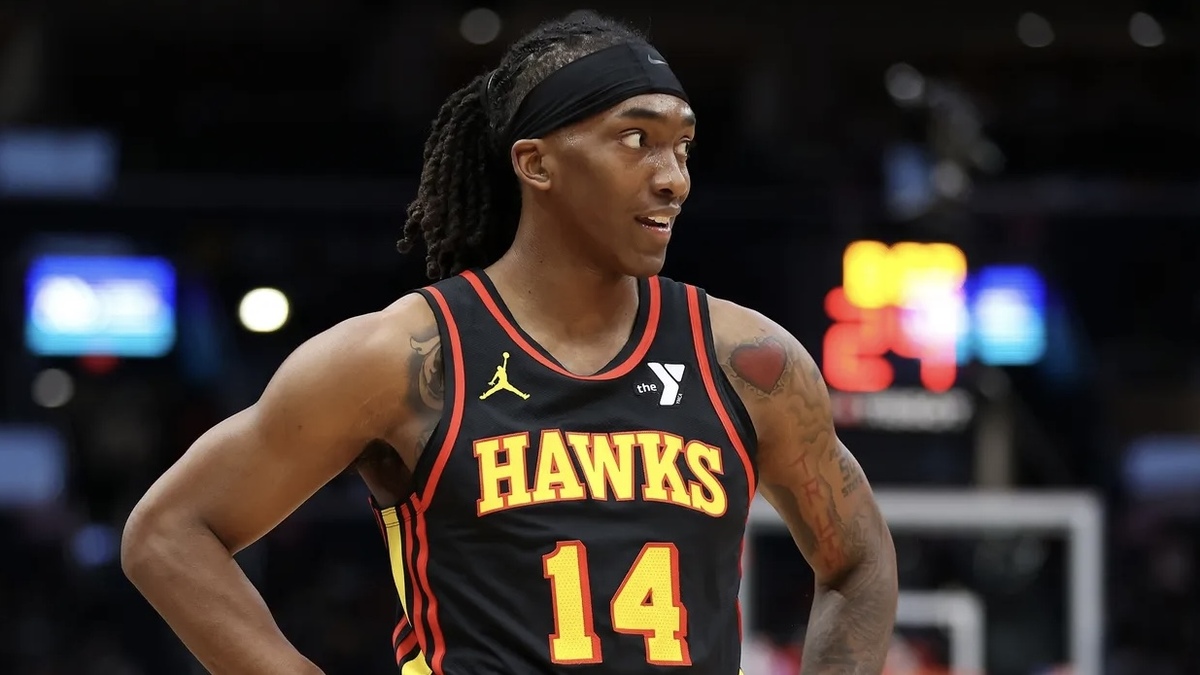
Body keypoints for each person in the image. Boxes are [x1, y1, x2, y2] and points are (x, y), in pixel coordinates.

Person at [121, 11, 898, 675]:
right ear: (536, 164)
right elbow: (167, 533)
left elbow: (858, 561)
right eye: (637, 139)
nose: (674, 178)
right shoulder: (401, 357)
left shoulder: (747, 359)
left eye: (683, 147)